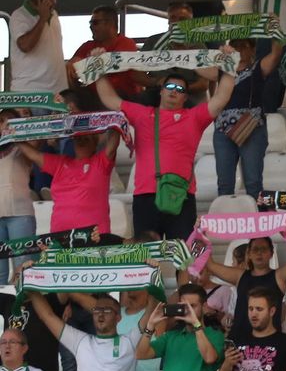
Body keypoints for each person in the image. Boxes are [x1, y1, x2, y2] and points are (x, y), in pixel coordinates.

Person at [95, 49, 238, 239]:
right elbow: (110, 100)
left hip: (181, 196)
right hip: (146, 196)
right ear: (161, 90)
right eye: (170, 86)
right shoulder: (142, 114)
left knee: (183, 258)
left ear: (185, 98)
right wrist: (97, 68)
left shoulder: (194, 117)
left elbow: (221, 98)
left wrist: (229, 63)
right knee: (145, 258)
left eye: (180, 90)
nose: (174, 91)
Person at [212, 37, 285, 201]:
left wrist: (275, 32)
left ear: (253, 49)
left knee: (253, 183)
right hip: (222, 131)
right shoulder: (221, 70)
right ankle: (226, 223)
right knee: (224, 184)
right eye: (234, 46)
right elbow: (198, 67)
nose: (238, 50)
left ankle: (258, 222)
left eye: (243, 46)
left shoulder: (258, 68)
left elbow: (276, 54)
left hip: (251, 129)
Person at [199, 235, 286, 337]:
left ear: (271, 253)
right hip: (240, 342)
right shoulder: (239, 276)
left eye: (263, 249)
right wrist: (200, 232)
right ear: (249, 254)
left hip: (270, 344)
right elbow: (209, 264)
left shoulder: (280, 276)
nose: (259, 253)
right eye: (255, 249)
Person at [69, 5, 139, 101]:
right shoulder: (87, 46)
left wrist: (83, 64)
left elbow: (111, 65)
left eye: (95, 22)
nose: (91, 26)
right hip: (94, 96)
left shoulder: (126, 43)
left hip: (120, 98)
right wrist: (73, 65)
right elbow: (71, 67)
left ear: (110, 24)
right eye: (90, 23)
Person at [10, 0, 65, 94]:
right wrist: (42, 19)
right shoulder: (19, 16)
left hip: (57, 91)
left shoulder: (54, 14)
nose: (54, 1)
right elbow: (25, 46)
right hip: (31, 92)